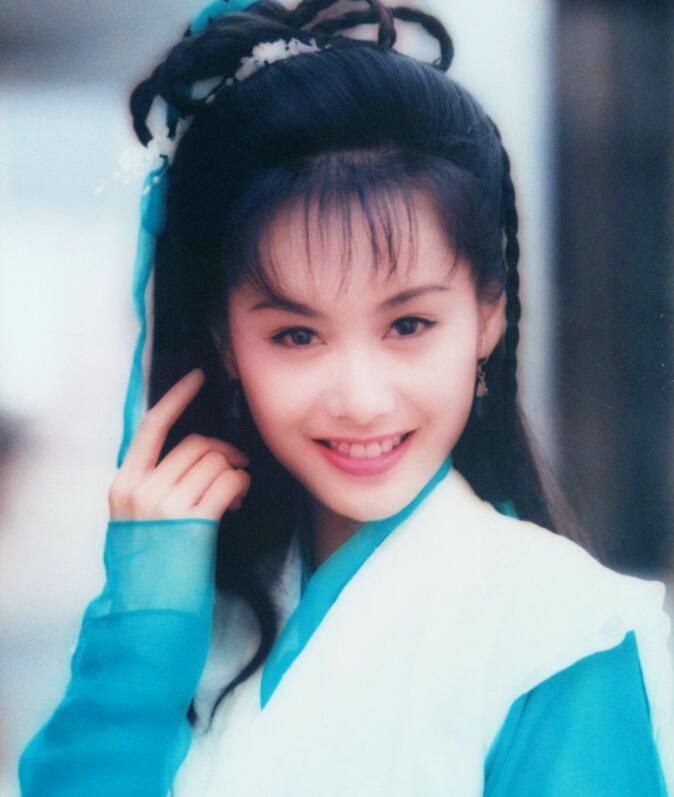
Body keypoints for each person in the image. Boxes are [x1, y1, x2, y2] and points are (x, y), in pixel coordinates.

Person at [18, 0, 674, 794]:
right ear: (226, 343)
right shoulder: (188, 612)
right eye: (297, 335)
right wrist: (141, 634)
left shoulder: (557, 632)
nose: (361, 399)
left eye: (409, 324)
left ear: (488, 318)